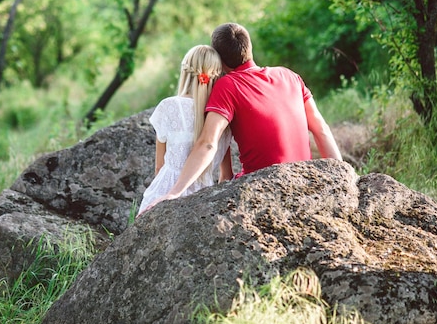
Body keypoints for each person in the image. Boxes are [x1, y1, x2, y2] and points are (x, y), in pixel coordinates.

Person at [145, 22, 342, 212]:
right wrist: (342, 177)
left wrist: (174, 192)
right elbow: (321, 129)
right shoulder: (289, 75)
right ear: (249, 48)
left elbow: (208, 143)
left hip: (261, 184)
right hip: (303, 177)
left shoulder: (228, 85)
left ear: (220, 62)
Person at [137, 45, 233, 216]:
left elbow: (159, 167)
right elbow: (226, 176)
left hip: (165, 192)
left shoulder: (169, 107)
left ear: (185, 72)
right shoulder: (221, 118)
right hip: (203, 198)